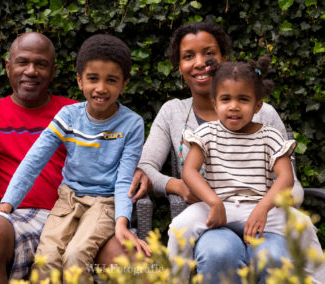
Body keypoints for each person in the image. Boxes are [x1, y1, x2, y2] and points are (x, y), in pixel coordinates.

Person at [130, 22, 325, 283]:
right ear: (179, 66)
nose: (199, 63)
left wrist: (275, 204)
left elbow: (288, 178)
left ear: (223, 59)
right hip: (212, 211)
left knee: (285, 246)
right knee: (216, 251)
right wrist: (181, 187)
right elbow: (147, 167)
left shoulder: (265, 116)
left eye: (208, 54)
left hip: (263, 212)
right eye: (188, 56)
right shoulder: (175, 113)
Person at [0, 32, 127, 283]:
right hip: (15, 216)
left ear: (53, 71)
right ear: (8, 66)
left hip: (77, 212)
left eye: (41, 64)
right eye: (22, 62)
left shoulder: (77, 112)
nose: (31, 70)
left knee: (127, 257)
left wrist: (137, 171)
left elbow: (112, 156)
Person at [0, 34, 150, 281]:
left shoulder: (132, 124)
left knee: (76, 256)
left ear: (124, 84)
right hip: (67, 199)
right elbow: (33, 161)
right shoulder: (68, 116)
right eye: (92, 79)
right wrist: (7, 204)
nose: (101, 88)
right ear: (80, 81)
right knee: (46, 259)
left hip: (104, 204)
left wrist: (122, 222)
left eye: (111, 80)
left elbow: (124, 179)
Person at [168, 55, 296, 283]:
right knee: (179, 226)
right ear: (215, 103)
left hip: (260, 210)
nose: (234, 106)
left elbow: (286, 177)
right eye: (225, 99)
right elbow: (189, 171)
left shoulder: (270, 135)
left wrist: (264, 206)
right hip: (218, 207)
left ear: (258, 105)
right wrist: (213, 201)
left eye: (243, 100)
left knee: (304, 230)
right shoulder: (206, 133)